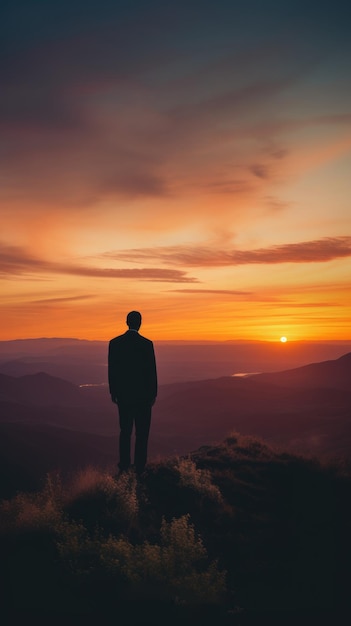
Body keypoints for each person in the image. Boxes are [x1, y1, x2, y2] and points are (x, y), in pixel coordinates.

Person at [108, 311, 157, 475]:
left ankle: (124, 466)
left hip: (124, 396)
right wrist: (153, 394)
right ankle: (140, 467)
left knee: (125, 431)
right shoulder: (147, 344)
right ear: (140, 323)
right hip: (143, 397)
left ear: (126, 322)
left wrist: (113, 392)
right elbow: (152, 372)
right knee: (142, 433)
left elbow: (112, 371)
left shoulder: (115, 343)